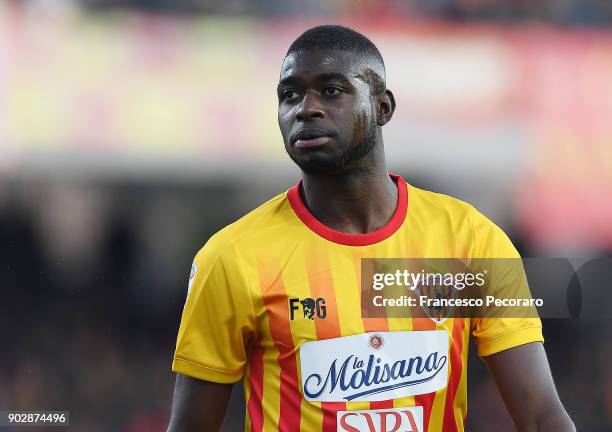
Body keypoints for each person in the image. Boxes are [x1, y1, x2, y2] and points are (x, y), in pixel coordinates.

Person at [167, 25, 575, 432]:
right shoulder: (232, 257)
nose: (305, 108)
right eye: (289, 95)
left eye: (331, 90)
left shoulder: (471, 240)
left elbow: (541, 417)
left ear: (382, 107)